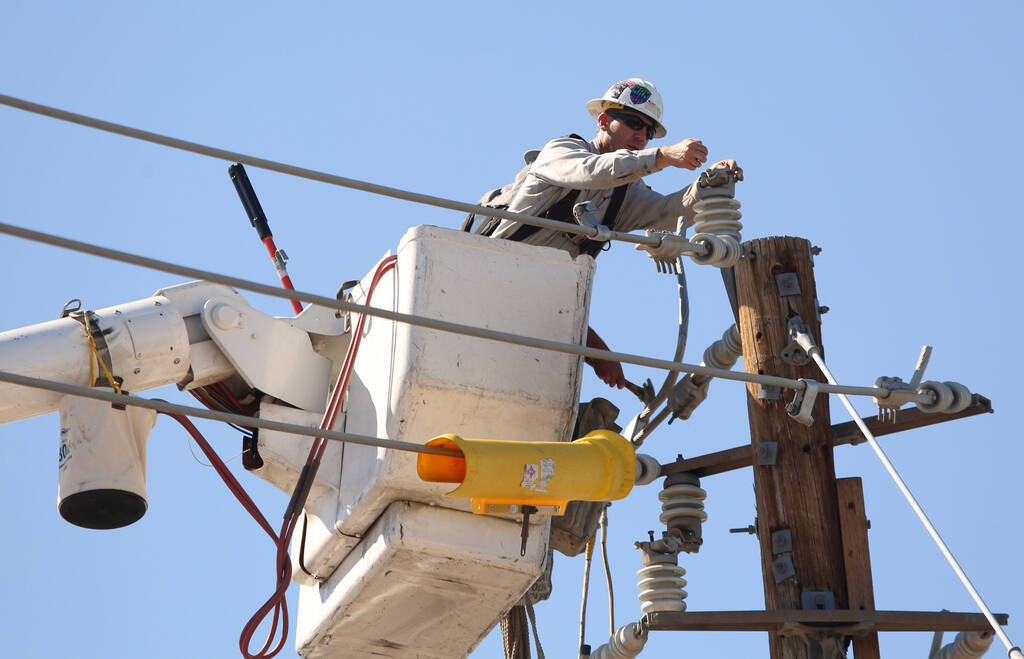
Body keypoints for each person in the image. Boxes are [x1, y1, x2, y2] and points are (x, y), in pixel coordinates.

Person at [469, 78, 742, 389]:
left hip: (532, 303)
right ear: (603, 120)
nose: (641, 136)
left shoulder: (624, 194)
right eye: (632, 122)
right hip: (485, 283)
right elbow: (591, 171)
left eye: (648, 131)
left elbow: (669, 212)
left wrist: (708, 185)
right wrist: (662, 155)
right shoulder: (561, 152)